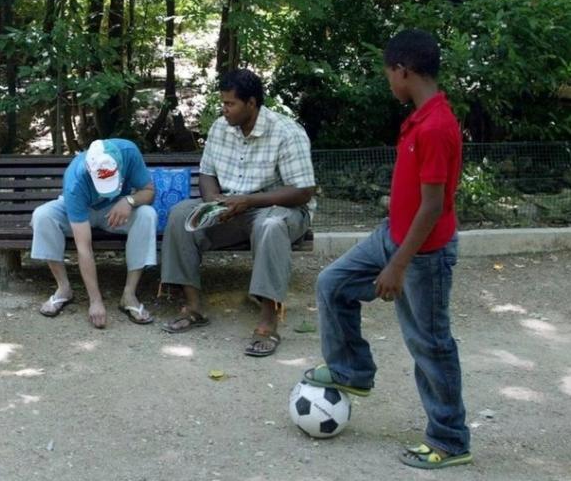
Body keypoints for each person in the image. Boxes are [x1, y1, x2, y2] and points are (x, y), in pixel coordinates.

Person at [304, 29, 471, 469]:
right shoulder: (419, 116)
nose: (388, 82)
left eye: (388, 74)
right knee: (332, 284)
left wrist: (398, 265)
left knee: (430, 344)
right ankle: (351, 372)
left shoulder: (436, 126)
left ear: (404, 70)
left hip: (423, 254)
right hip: (392, 235)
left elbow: (433, 206)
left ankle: (450, 440)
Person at [159, 68, 316, 358]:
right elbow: (206, 174)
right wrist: (214, 204)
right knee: (181, 214)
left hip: (280, 209)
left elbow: (303, 191)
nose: (224, 109)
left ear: (252, 103)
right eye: (223, 103)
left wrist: (248, 200)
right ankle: (192, 307)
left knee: (270, 226)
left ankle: (268, 322)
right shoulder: (221, 127)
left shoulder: (286, 132)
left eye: (230, 104)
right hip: (233, 207)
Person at [30, 139, 157, 329]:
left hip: (116, 210)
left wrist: (129, 201)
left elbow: (149, 191)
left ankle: (129, 295)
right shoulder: (75, 179)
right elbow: (84, 248)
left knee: (147, 215)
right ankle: (63, 288)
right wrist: (95, 301)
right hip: (80, 211)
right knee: (42, 216)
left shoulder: (129, 152)